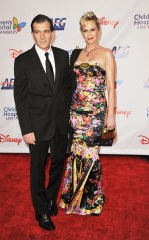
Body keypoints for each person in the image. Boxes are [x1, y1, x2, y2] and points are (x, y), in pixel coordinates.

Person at [14, 14, 70, 230]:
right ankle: (41, 212)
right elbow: (20, 97)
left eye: (46, 31)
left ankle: (49, 199)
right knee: (37, 169)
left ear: (52, 33)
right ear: (32, 34)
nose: (42, 36)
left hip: (60, 123)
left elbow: (65, 90)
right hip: (36, 127)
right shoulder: (23, 60)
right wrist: (26, 128)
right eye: (37, 32)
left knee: (58, 163)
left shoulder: (63, 56)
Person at [60, 11, 116, 215]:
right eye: (85, 30)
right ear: (82, 32)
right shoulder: (77, 54)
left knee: (91, 156)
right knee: (76, 154)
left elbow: (111, 88)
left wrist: (110, 115)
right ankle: (72, 198)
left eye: (92, 29)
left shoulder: (106, 53)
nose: (89, 34)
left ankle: (91, 200)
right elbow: (71, 85)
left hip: (95, 115)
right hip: (76, 113)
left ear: (99, 30)